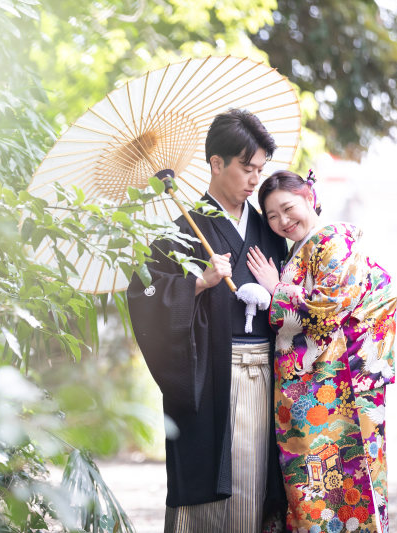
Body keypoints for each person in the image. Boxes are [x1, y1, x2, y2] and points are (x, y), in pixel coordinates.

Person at [127, 109, 288, 533]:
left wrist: (280, 290)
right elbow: (143, 298)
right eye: (247, 168)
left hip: (267, 374)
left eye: (261, 170)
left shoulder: (270, 229)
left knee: (255, 481)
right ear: (217, 163)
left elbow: (296, 296)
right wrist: (198, 283)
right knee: (209, 493)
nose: (255, 180)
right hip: (210, 375)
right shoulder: (179, 233)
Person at [247, 170, 397, 533]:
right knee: (312, 490)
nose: (283, 221)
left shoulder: (334, 240)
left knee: (346, 485)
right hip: (315, 393)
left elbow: (328, 309)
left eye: (287, 208)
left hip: (342, 391)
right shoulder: (301, 249)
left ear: (309, 196)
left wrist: (276, 288)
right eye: (272, 216)